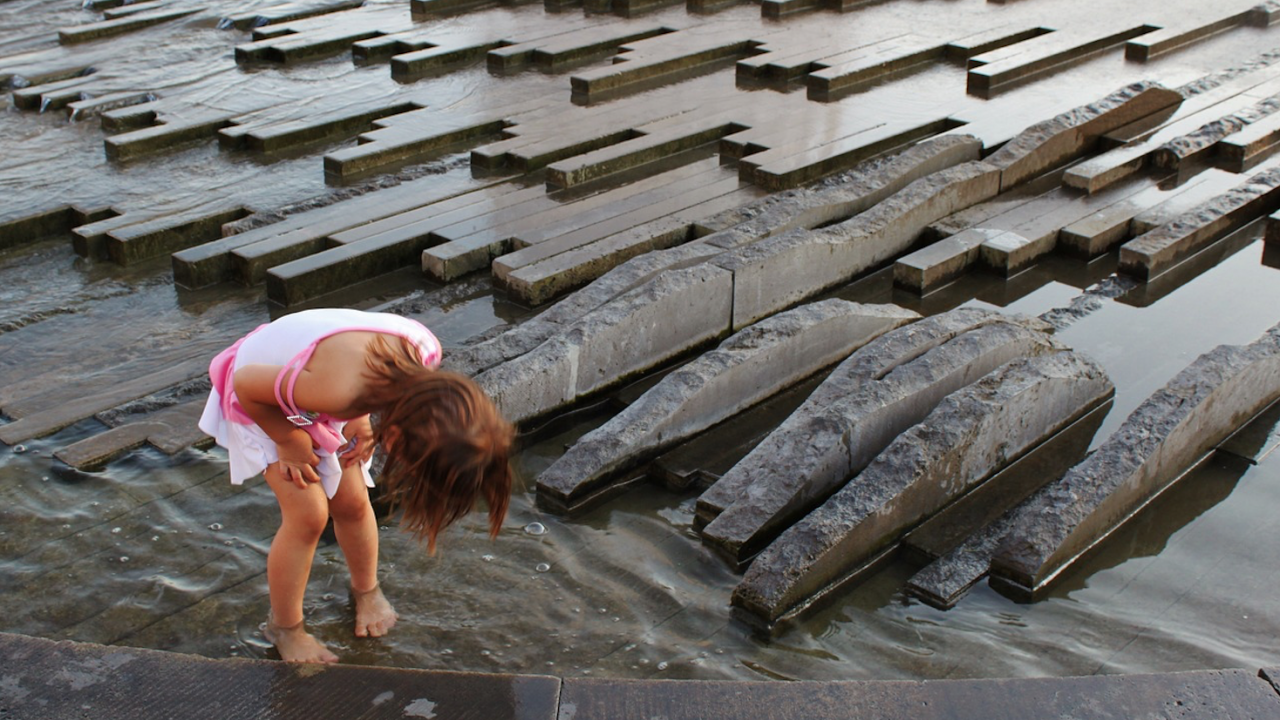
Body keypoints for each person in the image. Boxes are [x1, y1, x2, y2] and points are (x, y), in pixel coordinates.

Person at [198, 308, 513, 663]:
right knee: (309, 516)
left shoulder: (424, 353)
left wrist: (360, 417)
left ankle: (366, 589)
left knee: (352, 502)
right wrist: (288, 440)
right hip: (262, 399)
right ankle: (284, 628)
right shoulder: (337, 391)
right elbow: (246, 384)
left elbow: (367, 369)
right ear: (392, 438)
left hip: (312, 386)